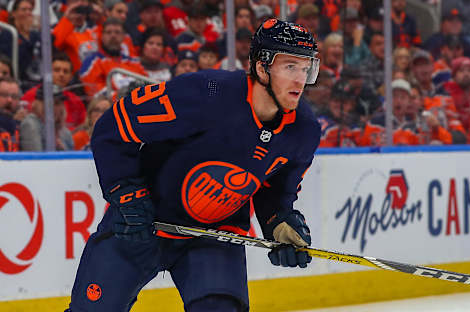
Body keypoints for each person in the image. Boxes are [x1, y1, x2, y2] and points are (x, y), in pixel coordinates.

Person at [64, 18, 321, 312]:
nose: (300, 80)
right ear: (262, 67)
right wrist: (127, 195)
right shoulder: (207, 93)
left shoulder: (304, 130)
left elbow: (275, 189)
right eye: (290, 67)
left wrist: (278, 222)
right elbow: (114, 127)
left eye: (306, 68)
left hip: (213, 236)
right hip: (143, 225)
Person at [20, 86, 74, 151]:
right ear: (39, 105)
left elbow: (73, 159)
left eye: (58, 103)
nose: (54, 108)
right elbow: (36, 158)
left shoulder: (65, 132)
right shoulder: (30, 125)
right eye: (49, 103)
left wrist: (62, 149)